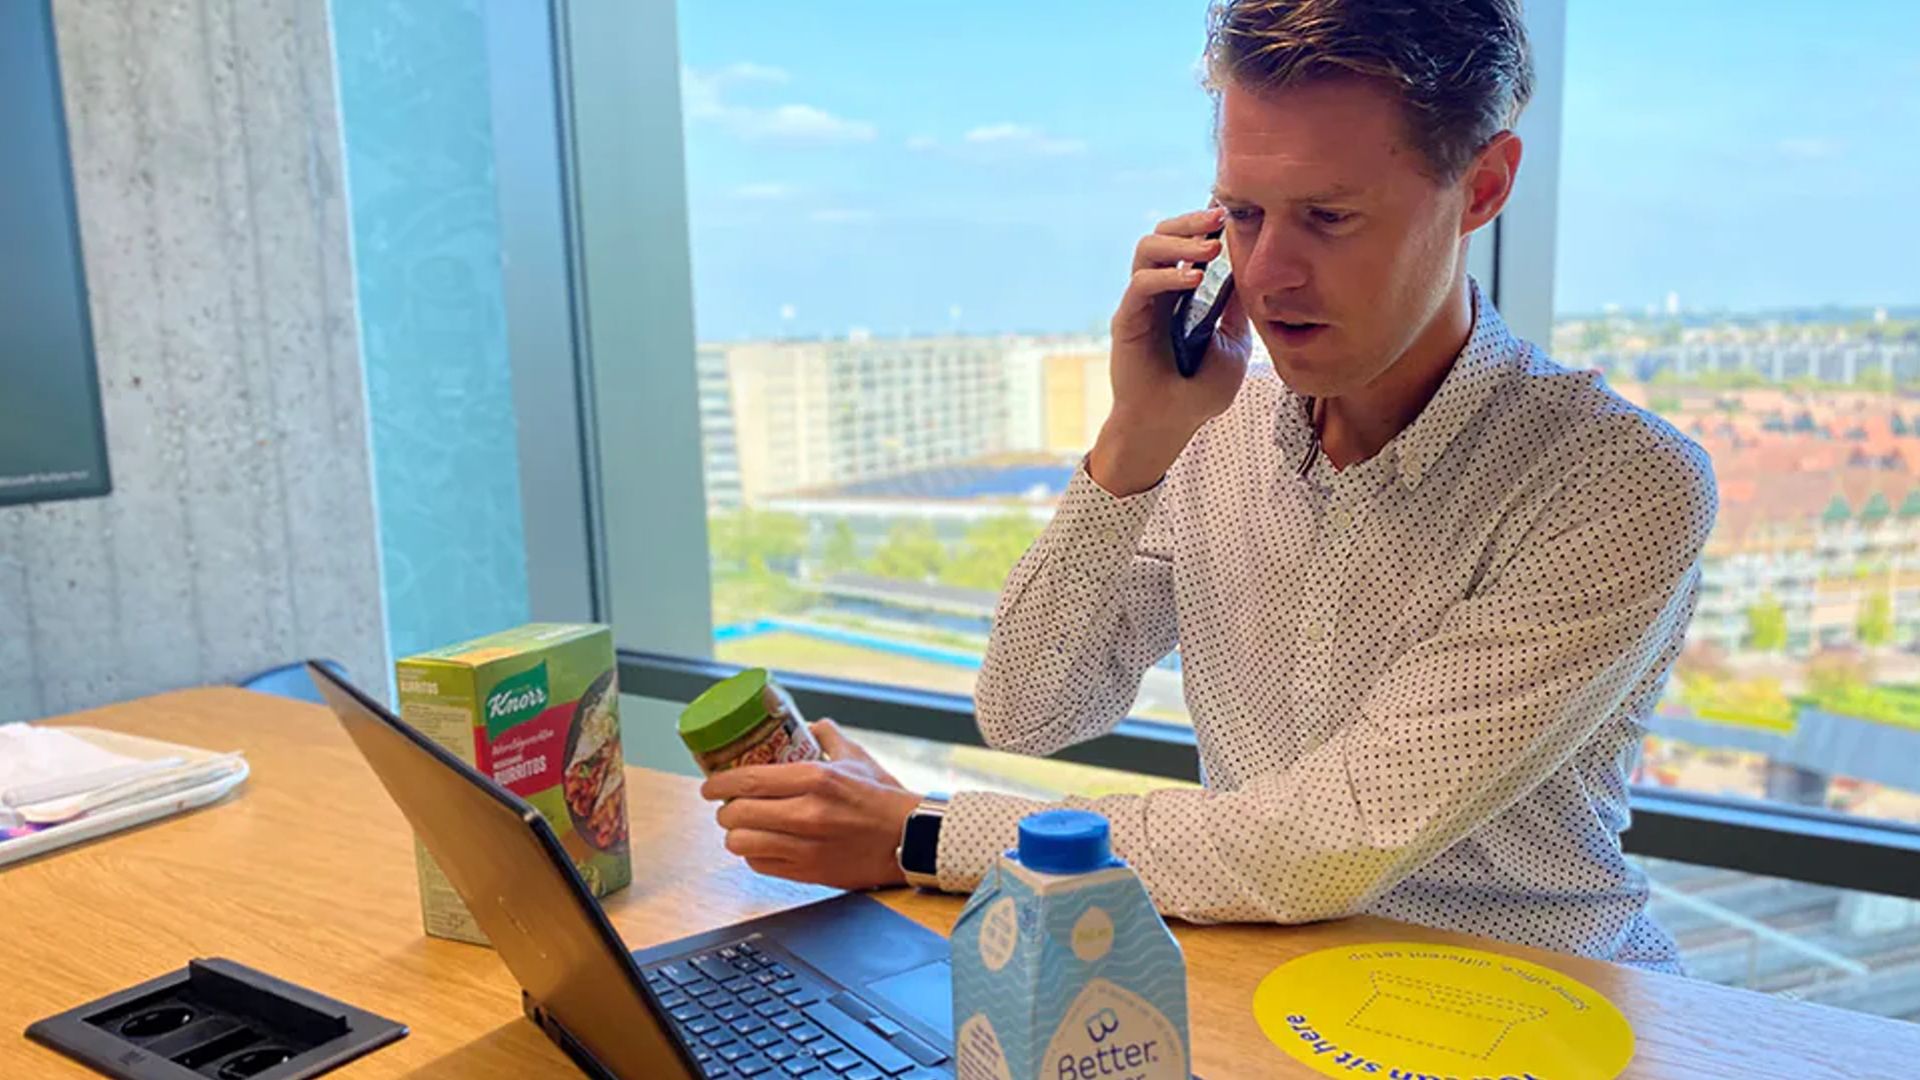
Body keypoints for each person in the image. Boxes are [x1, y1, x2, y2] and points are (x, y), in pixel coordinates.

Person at [699, 0, 1716, 973]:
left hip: (1539, 1006)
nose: (1269, 273)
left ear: (1484, 187)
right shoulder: (1211, 428)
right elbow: (1027, 710)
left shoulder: (1619, 484)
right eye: (1240, 212)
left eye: (1328, 216)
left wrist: (920, 835)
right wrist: (1137, 437)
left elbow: (1324, 842)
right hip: (1260, 983)